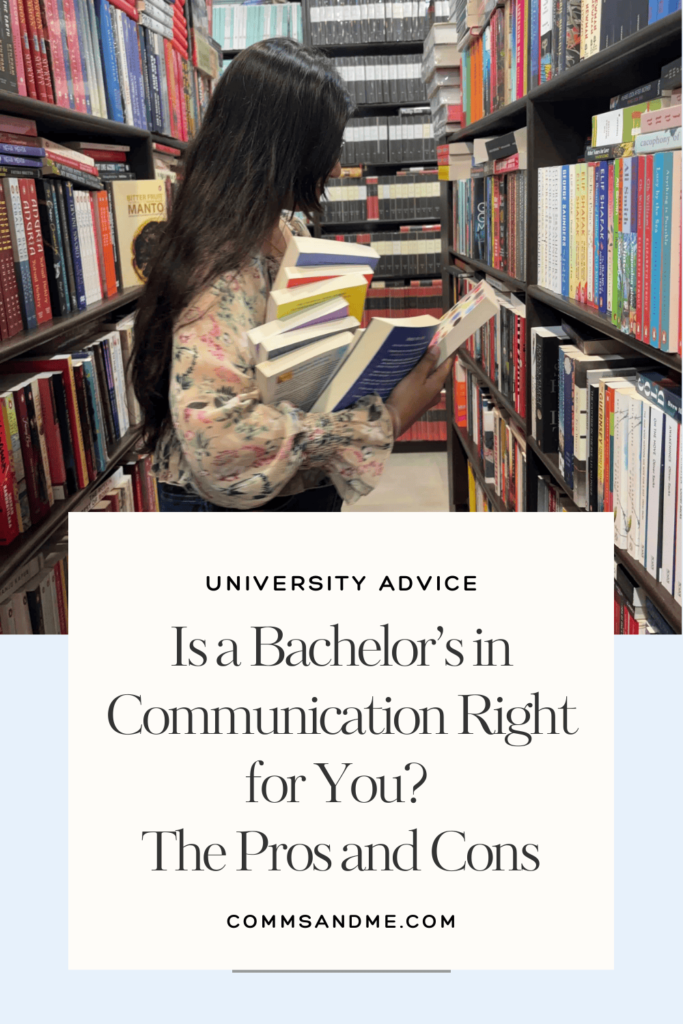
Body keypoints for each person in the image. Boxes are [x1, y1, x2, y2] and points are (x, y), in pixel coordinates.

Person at [132, 38, 452, 513]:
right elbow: (220, 445)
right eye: (326, 149)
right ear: (281, 150)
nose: (338, 166)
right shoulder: (216, 270)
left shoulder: (285, 230)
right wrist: (388, 419)